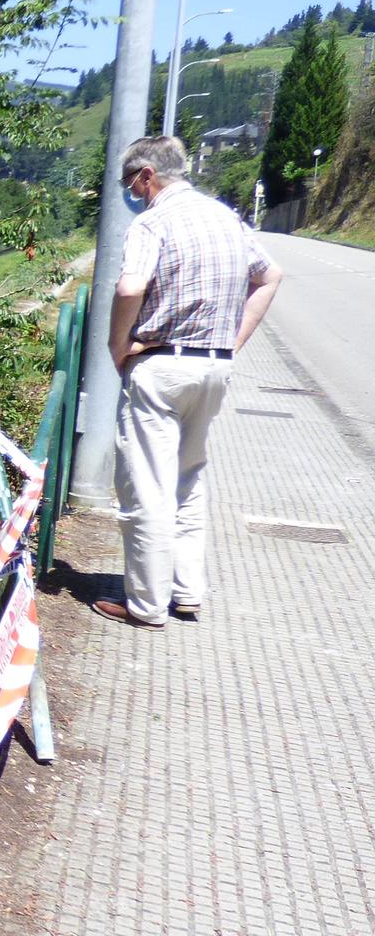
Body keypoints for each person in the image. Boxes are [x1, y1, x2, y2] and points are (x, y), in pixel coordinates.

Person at [95, 134, 282, 629]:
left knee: (147, 486)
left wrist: (118, 345)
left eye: (130, 183)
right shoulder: (226, 217)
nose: (130, 192)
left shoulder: (152, 222)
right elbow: (270, 276)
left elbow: (130, 286)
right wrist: (233, 341)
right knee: (189, 478)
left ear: (146, 176)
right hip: (214, 367)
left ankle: (146, 604)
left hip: (161, 365)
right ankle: (187, 593)